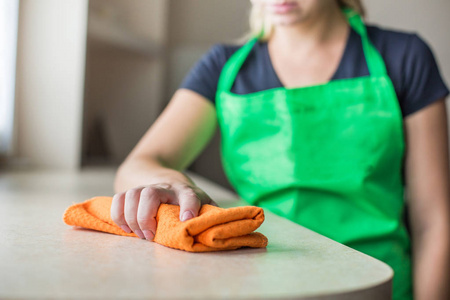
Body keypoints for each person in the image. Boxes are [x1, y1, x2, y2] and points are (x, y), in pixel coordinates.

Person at [111, 1, 450, 299]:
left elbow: (433, 220)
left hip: (377, 288)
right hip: (261, 283)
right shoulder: (224, 68)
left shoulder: (405, 57)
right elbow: (139, 164)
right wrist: (171, 183)